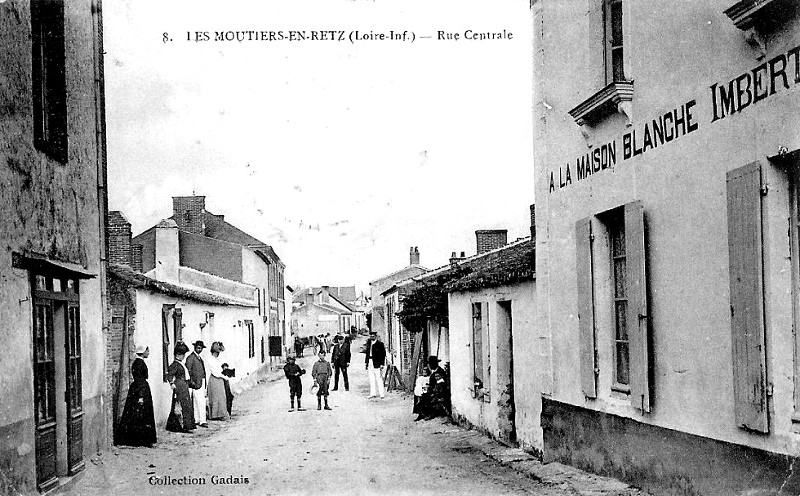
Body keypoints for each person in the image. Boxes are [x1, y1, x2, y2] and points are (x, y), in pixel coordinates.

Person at [115, 344, 157, 447]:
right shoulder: (139, 364)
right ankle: (139, 440)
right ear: (143, 352)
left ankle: (141, 439)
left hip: (140, 389)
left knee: (140, 415)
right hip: (140, 390)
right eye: (147, 351)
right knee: (140, 415)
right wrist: (141, 396)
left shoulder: (139, 362)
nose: (148, 353)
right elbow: (139, 381)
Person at [166, 342, 196, 432]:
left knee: (186, 405)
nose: (183, 356)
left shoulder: (181, 364)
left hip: (184, 385)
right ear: (177, 355)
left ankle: (186, 426)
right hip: (179, 385)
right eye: (181, 354)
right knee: (181, 405)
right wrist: (171, 383)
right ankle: (181, 426)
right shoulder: (175, 364)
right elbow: (170, 375)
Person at [414, 356, 450, 421]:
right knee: (418, 394)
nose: (429, 366)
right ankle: (421, 414)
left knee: (425, 396)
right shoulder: (434, 372)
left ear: (434, 364)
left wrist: (431, 390)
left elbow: (441, 385)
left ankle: (430, 413)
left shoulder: (440, 372)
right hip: (434, 390)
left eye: (430, 364)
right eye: (429, 364)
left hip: (440, 392)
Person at [185, 340, 208, 428]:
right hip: (195, 383)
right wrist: (192, 382)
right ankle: (202, 420)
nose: (199, 349)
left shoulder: (199, 358)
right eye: (198, 348)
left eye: (201, 348)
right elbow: (188, 371)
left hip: (200, 382)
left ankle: (197, 419)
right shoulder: (191, 358)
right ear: (195, 347)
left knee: (197, 401)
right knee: (200, 401)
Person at [206, 342, 230, 421]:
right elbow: (215, 372)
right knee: (216, 397)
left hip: (219, 379)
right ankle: (215, 415)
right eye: (217, 352)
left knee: (221, 397)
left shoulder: (216, 360)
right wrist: (224, 376)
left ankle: (220, 414)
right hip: (215, 379)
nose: (218, 354)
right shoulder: (211, 360)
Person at [364, 331, 386, 399]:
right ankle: (373, 393)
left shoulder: (380, 344)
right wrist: (366, 363)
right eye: (370, 336)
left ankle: (382, 394)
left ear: (375, 336)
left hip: (377, 363)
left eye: (373, 336)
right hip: (370, 362)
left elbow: (383, 355)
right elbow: (367, 354)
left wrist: (382, 364)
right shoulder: (369, 343)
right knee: (371, 379)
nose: (372, 337)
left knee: (379, 379)